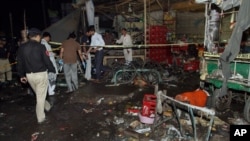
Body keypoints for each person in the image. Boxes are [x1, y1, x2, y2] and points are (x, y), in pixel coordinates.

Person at [17, 27, 55, 124]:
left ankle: (47, 106)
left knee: (39, 94)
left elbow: (20, 62)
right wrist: (52, 70)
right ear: (38, 36)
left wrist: (21, 75)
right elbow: (47, 61)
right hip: (41, 74)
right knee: (40, 96)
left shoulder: (22, 47)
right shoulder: (41, 47)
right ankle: (41, 118)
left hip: (29, 76)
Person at [41, 32, 58, 96]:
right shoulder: (45, 44)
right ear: (47, 37)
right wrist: (54, 54)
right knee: (52, 76)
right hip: (49, 62)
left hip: (45, 63)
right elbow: (47, 53)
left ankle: (49, 90)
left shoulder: (41, 43)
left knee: (48, 77)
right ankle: (51, 91)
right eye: (49, 38)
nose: (49, 40)